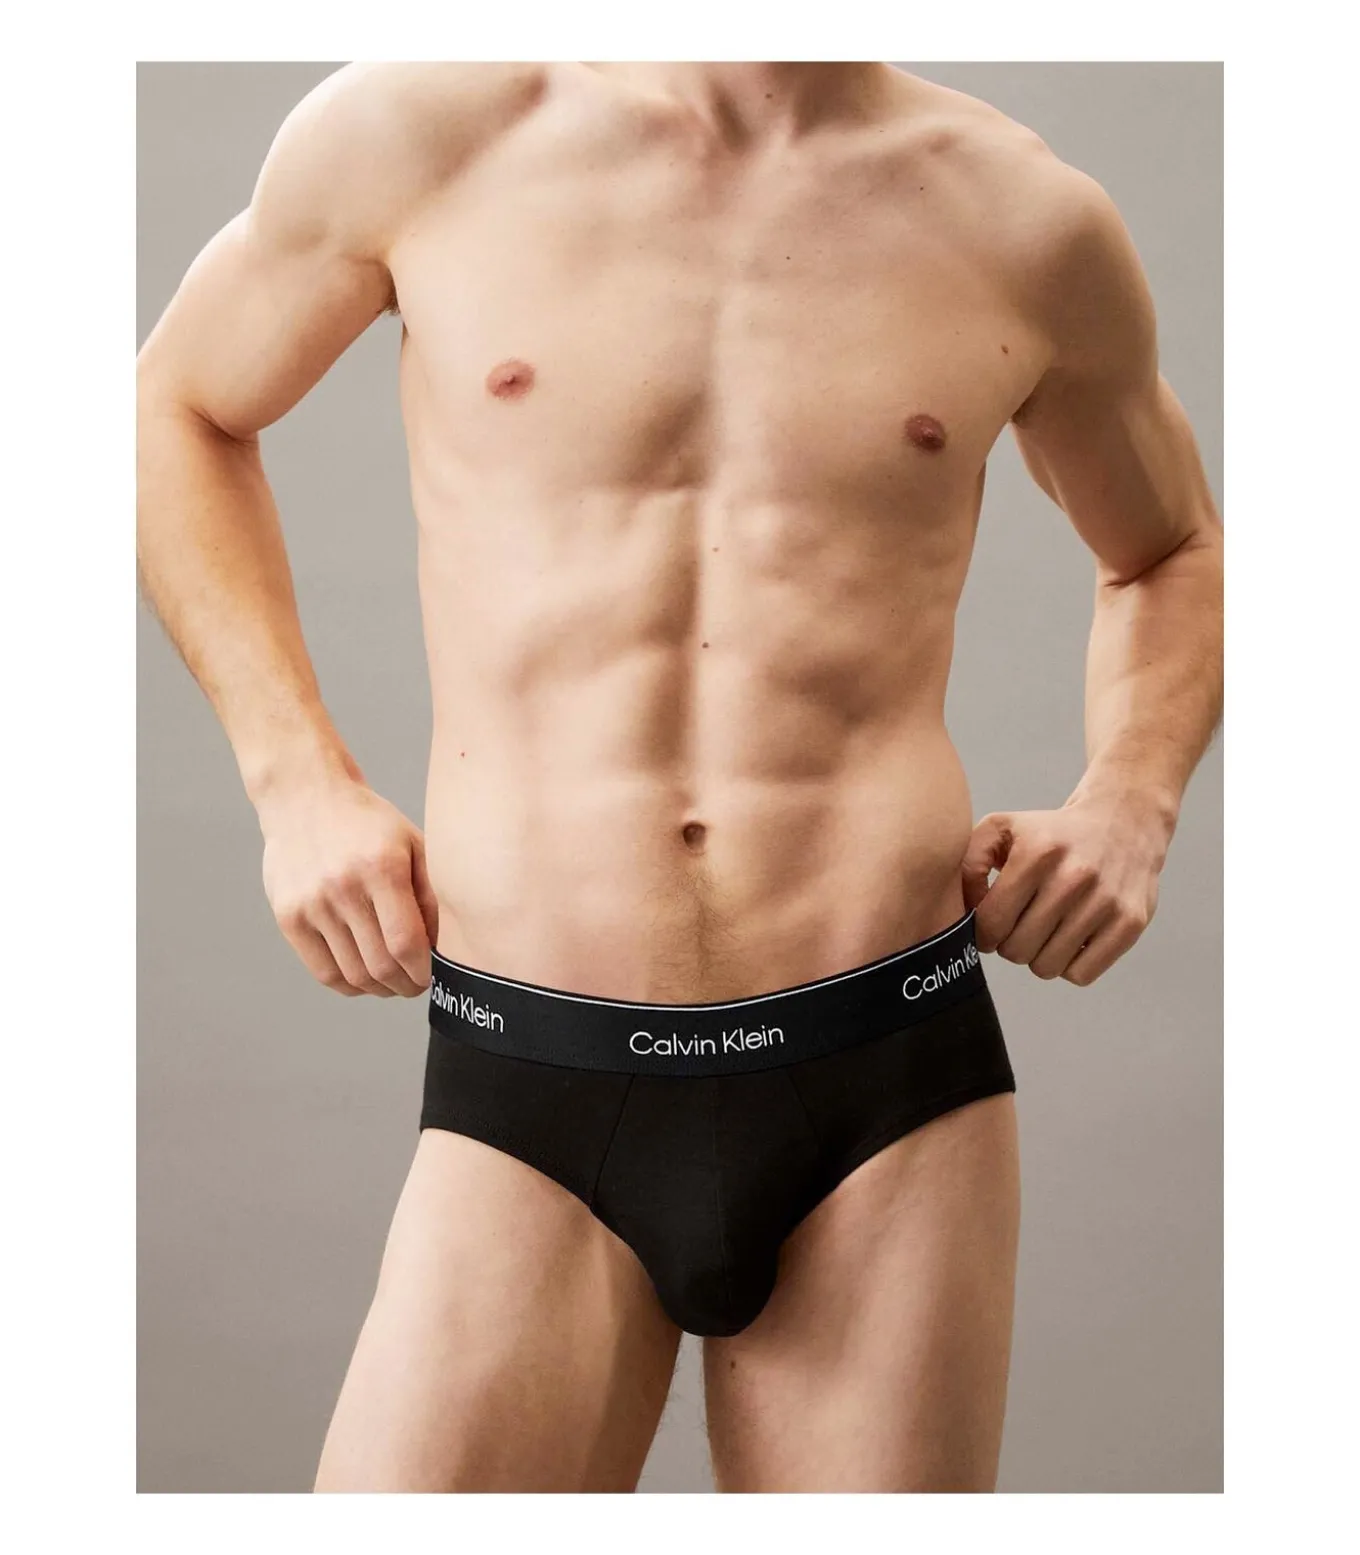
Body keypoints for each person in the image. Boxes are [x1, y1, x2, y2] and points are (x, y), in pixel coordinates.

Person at [136, 62, 1223, 1492]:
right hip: (536, 1063)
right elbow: (175, 406)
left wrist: (1133, 797)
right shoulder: (426, 134)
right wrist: (297, 783)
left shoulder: (1021, 216)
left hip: (886, 1077)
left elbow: (1173, 548)